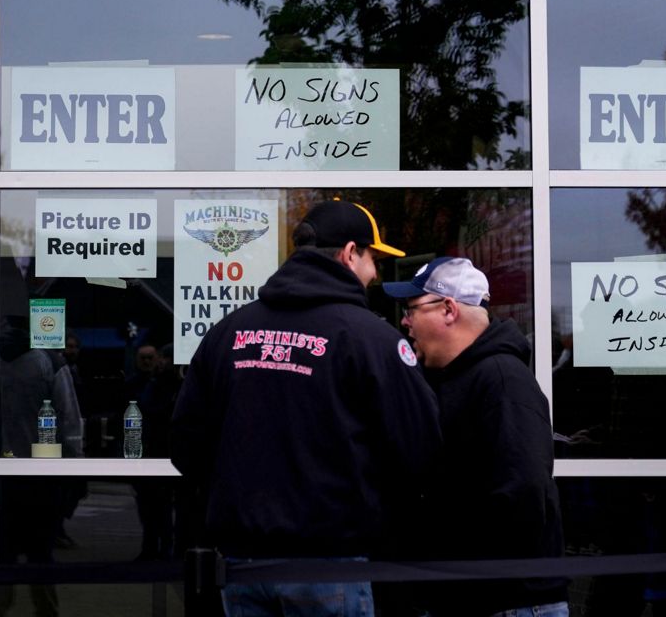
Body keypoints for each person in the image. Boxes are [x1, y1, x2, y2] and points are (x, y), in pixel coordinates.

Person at [171, 199, 441, 617]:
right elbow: (419, 451)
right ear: (351, 253)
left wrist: (240, 499)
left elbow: (186, 442)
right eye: (373, 259)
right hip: (331, 561)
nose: (373, 274)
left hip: (243, 565)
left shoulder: (228, 333)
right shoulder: (372, 340)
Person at [383, 256, 568, 617]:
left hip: (508, 602)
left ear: (448, 310)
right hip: (467, 594)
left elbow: (524, 494)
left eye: (411, 309)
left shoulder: (501, 381)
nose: (404, 322)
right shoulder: (450, 378)